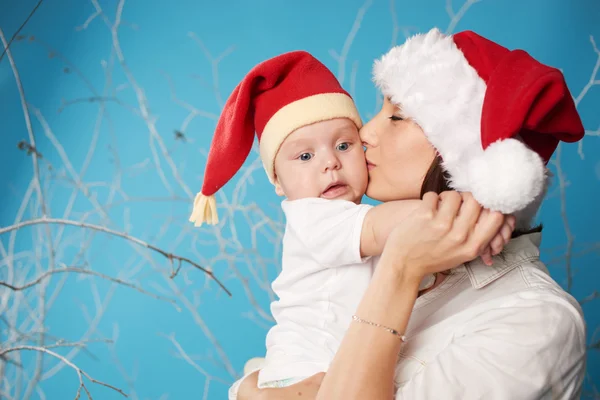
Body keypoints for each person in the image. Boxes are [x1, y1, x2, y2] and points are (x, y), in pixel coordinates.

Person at [235, 28, 588, 399]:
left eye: (397, 117)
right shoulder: (365, 243)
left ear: (460, 154)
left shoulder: (533, 322)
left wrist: (400, 270)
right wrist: (247, 389)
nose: (365, 133)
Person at [187, 51, 513, 395]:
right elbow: (389, 225)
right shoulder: (312, 217)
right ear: (278, 182)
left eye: (344, 144)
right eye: (305, 156)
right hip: (303, 374)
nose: (330, 162)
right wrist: (468, 208)